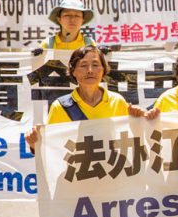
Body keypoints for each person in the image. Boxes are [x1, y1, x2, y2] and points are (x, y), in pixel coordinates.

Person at [25, 46, 154, 149]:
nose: (90, 70)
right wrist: (35, 144)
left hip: (113, 174)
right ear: (73, 71)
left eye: (96, 65)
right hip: (76, 175)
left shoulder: (117, 101)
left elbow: (130, 142)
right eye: (83, 65)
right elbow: (53, 148)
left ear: (104, 70)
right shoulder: (60, 107)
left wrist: (141, 119)